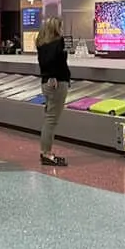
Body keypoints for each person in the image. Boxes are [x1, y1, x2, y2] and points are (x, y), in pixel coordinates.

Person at [36, 16, 70, 166]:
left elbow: (43, 62)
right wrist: (53, 76)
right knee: (51, 120)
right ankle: (46, 154)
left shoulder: (41, 43)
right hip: (57, 82)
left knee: (48, 118)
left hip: (45, 82)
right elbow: (57, 62)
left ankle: (46, 152)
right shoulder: (58, 42)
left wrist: (48, 76)